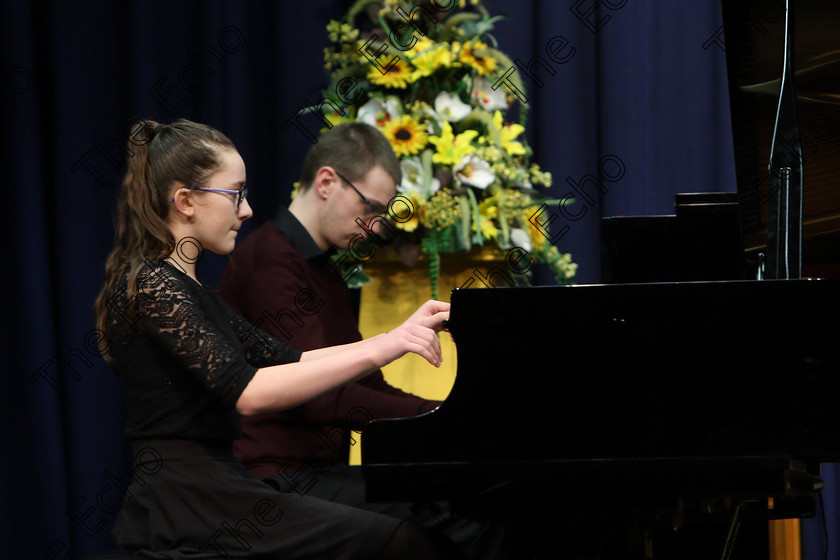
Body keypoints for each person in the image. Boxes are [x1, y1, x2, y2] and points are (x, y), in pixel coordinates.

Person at [93, 118, 456, 559]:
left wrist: (395, 336)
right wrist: (387, 346)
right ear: (185, 201)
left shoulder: (192, 292)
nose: (246, 210)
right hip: (187, 500)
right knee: (406, 543)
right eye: (236, 194)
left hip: (218, 487)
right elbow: (246, 391)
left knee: (413, 539)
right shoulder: (154, 286)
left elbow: (291, 360)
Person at [216, 122, 511, 559]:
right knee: (470, 512)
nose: (374, 228)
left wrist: (444, 416)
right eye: (370, 208)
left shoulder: (326, 268)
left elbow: (366, 385)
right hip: (277, 479)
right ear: (327, 182)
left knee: (477, 501)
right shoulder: (269, 261)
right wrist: (441, 418)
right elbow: (320, 398)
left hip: (319, 471)